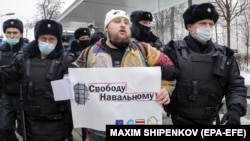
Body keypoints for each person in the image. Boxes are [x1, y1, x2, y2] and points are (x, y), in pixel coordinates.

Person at [72, 9, 179, 140]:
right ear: (106, 28)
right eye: (117, 21)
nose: (123, 25)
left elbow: (170, 69)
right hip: (98, 132)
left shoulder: (144, 49)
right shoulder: (88, 52)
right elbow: (72, 82)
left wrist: (166, 90)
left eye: (126, 22)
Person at [163, 3, 247, 125]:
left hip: (210, 120)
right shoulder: (173, 51)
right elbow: (162, 81)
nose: (208, 28)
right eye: (203, 23)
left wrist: (235, 109)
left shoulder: (225, 55)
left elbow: (235, 86)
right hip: (180, 120)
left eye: (211, 24)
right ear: (190, 26)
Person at [0, 19, 74, 140]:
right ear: (37, 39)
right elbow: (7, 73)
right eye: (43, 39)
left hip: (57, 123)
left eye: (52, 39)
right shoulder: (23, 58)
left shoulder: (67, 61)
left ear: (58, 41)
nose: (47, 42)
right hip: (30, 123)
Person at [0, 18, 27, 141]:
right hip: (6, 95)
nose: (11, 35)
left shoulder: (27, 50)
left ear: (20, 33)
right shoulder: (1, 50)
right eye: (9, 32)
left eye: (15, 32)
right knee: (4, 128)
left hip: (23, 96)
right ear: (5, 33)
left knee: (25, 130)